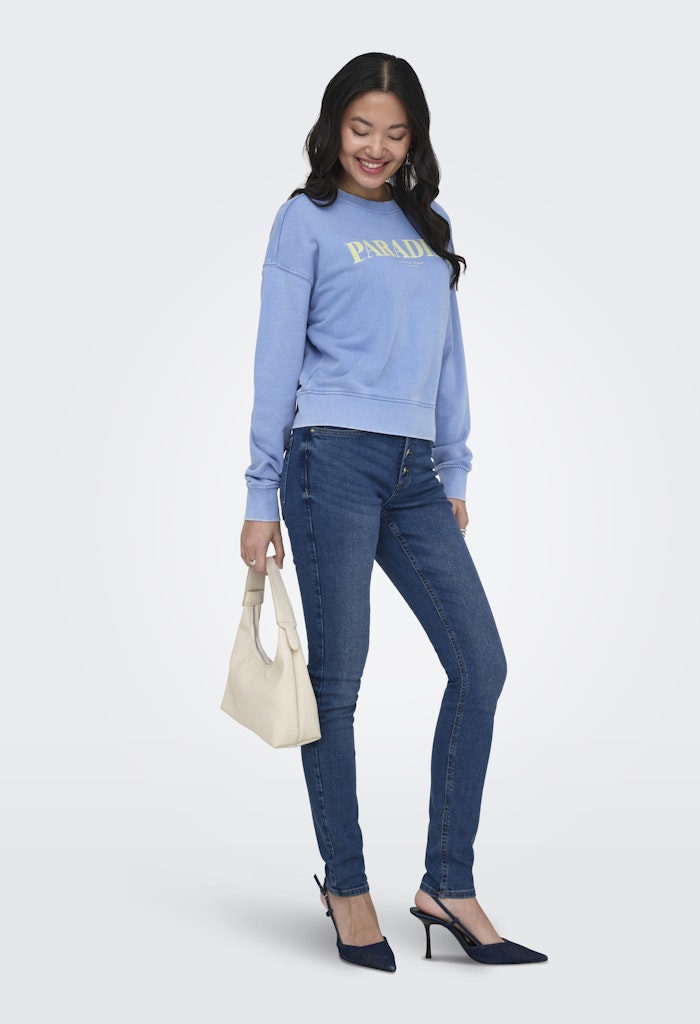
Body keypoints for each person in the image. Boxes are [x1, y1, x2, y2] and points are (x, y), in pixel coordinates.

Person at [239, 52, 547, 972]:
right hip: (327, 460)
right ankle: (346, 885)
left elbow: (448, 357)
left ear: (415, 140)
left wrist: (454, 471)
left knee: (481, 665)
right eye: (361, 128)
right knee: (337, 687)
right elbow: (273, 358)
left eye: (395, 133)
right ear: (335, 127)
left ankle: (446, 883)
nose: (375, 148)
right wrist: (259, 493)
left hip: (415, 473)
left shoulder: (429, 225)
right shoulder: (305, 220)